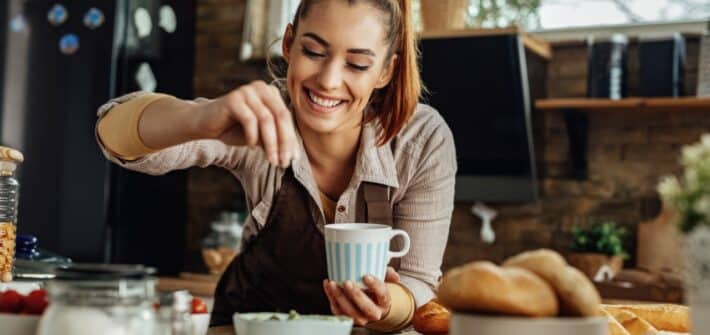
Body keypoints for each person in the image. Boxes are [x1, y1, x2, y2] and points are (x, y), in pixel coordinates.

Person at [95, 0, 456, 332]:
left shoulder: (421, 139)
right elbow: (112, 134)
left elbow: (418, 286)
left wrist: (384, 306)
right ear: (288, 43)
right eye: (313, 51)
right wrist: (200, 117)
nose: (328, 80)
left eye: (357, 64)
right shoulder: (259, 119)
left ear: (385, 71)